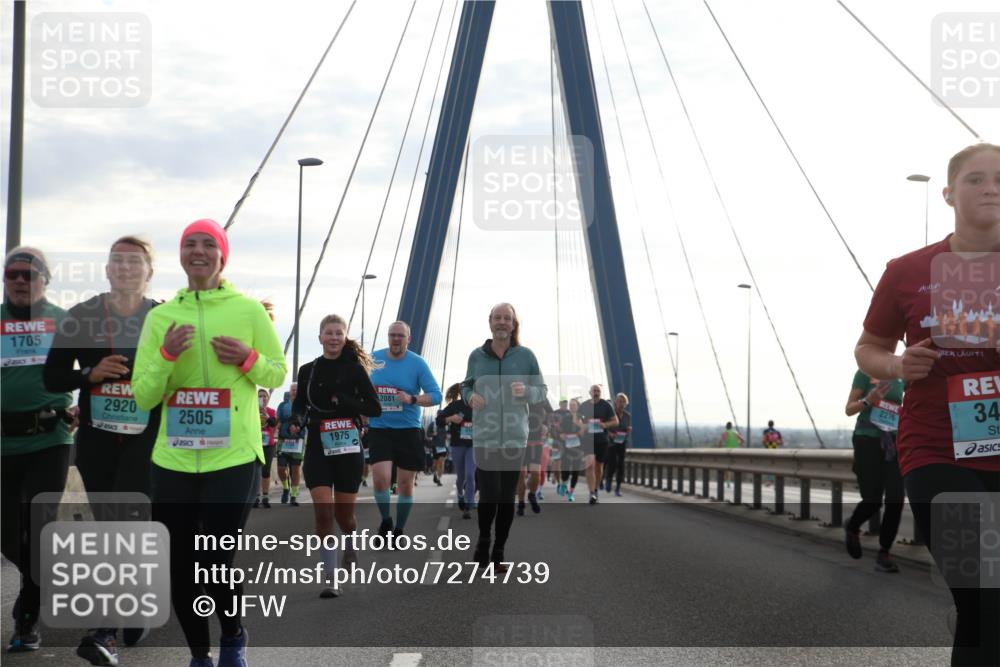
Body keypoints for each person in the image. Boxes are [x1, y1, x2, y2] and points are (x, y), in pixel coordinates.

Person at [854, 143, 1000, 665]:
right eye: (976, 179)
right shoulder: (909, 269)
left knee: (987, 610)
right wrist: (897, 366)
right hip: (937, 448)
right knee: (984, 591)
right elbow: (868, 348)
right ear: (948, 193)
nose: (991, 189)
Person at [132, 219, 287, 667]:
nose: (197, 251)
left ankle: (234, 636)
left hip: (234, 456)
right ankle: (200, 654)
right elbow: (144, 395)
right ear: (180, 256)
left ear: (223, 255)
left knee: (214, 555)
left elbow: (277, 372)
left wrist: (248, 358)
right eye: (188, 244)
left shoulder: (247, 311)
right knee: (180, 566)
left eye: (207, 244)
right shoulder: (160, 318)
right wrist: (165, 356)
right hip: (174, 459)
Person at [43, 236, 161, 664]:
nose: (126, 268)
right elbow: (53, 378)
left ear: (149, 273)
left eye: (136, 262)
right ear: (108, 270)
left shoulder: (162, 316)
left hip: (147, 438)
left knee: (125, 521)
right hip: (95, 439)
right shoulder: (82, 316)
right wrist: (90, 374)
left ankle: (105, 630)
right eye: (118, 262)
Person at [2, 247, 74, 653]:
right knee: (9, 535)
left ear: (45, 279)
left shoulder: (65, 322)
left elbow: (95, 370)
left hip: (50, 438)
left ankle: (26, 616)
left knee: (40, 524)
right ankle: (52, 574)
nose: (19, 280)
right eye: (12, 273)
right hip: (2, 443)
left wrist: (86, 403)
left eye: (28, 274)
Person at [289, 314, 381, 598]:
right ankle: (331, 577)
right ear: (319, 338)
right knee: (323, 512)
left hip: (348, 447)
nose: (333, 338)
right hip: (317, 443)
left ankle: (351, 540)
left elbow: (374, 408)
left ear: (344, 337)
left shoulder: (354, 370)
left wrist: (345, 402)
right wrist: (296, 420)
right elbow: (302, 406)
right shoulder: (308, 370)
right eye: (328, 333)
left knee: (344, 515)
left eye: (338, 333)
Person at [462, 303, 547, 569]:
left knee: (507, 496)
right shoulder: (477, 356)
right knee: (489, 494)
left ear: (513, 324)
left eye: (506, 318)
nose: (501, 322)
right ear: (490, 322)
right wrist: (470, 396)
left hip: (513, 437)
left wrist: (528, 393)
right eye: (497, 318)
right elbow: (465, 385)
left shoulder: (526, 356)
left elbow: (542, 390)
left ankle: (499, 551)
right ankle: (484, 539)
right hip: (485, 437)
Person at [367, 321, 442, 540]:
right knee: (380, 478)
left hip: (408, 430)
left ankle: (399, 529)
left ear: (408, 339)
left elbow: (436, 395)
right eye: (392, 335)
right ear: (388, 337)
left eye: (401, 335)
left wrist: (412, 398)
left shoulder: (417, 364)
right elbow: (358, 385)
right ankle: (386, 521)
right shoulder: (374, 359)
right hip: (380, 428)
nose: (396, 339)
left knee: (405, 484)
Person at [843, 371, 905, 573]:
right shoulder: (864, 373)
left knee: (896, 498)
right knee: (873, 500)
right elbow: (849, 409)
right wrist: (870, 400)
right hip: (867, 440)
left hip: (893, 443)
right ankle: (852, 527)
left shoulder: (902, 375)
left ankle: (884, 552)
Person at [437, 383, 475, 519]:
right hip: (458, 444)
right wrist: (451, 419)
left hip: (474, 446)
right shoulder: (455, 406)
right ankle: (460, 493)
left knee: (471, 475)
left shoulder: (482, 404)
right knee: (462, 476)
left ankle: (468, 505)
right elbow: (439, 420)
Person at [578, 384, 618, 504]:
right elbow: (576, 419)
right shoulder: (584, 405)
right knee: (589, 465)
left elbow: (616, 421)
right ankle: (591, 493)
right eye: (594, 391)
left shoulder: (606, 405)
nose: (596, 393)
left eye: (598, 391)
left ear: (600, 393)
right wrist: (582, 425)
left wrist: (605, 425)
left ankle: (595, 489)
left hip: (602, 440)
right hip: (588, 440)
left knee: (599, 466)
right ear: (590, 392)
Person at [517, 398, 552, 515]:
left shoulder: (540, 395)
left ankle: (532, 495)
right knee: (521, 474)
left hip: (536, 439)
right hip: (519, 440)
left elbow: (551, 412)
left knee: (536, 473)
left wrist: (546, 425)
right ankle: (521, 503)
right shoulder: (515, 394)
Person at [276, 386, 304, 505]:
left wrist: (299, 427)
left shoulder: (304, 406)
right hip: (283, 439)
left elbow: (307, 420)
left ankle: (293, 495)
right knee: (281, 468)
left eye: (297, 389)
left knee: (295, 468)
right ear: (289, 391)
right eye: (293, 389)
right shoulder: (283, 405)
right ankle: (286, 488)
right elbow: (278, 420)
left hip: (298, 440)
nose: (295, 391)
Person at [253, 389, 278, 508]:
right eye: (260, 396)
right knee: (256, 471)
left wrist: (266, 414)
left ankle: (265, 496)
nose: (262, 398)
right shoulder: (252, 410)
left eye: (264, 396)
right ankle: (256, 496)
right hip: (255, 444)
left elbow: (273, 424)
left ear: (268, 398)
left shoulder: (271, 411)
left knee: (266, 471)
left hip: (268, 444)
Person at [604, 392, 632, 496]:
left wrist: (628, 431)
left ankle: (618, 488)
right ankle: (609, 480)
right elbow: (605, 427)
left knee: (621, 465)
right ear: (616, 402)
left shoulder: (627, 416)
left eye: (623, 402)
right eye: (619, 401)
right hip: (611, 444)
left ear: (626, 404)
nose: (621, 403)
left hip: (622, 443)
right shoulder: (611, 415)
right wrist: (610, 434)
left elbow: (626, 429)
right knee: (612, 463)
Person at [559, 398, 585, 502]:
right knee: (565, 469)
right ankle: (564, 483)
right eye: (570, 405)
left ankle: (571, 493)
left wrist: (580, 433)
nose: (572, 406)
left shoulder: (582, 418)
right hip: (566, 447)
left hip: (578, 448)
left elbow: (586, 432)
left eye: (574, 405)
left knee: (575, 471)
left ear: (578, 406)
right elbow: (560, 431)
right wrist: (562, 435)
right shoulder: (565, 418)